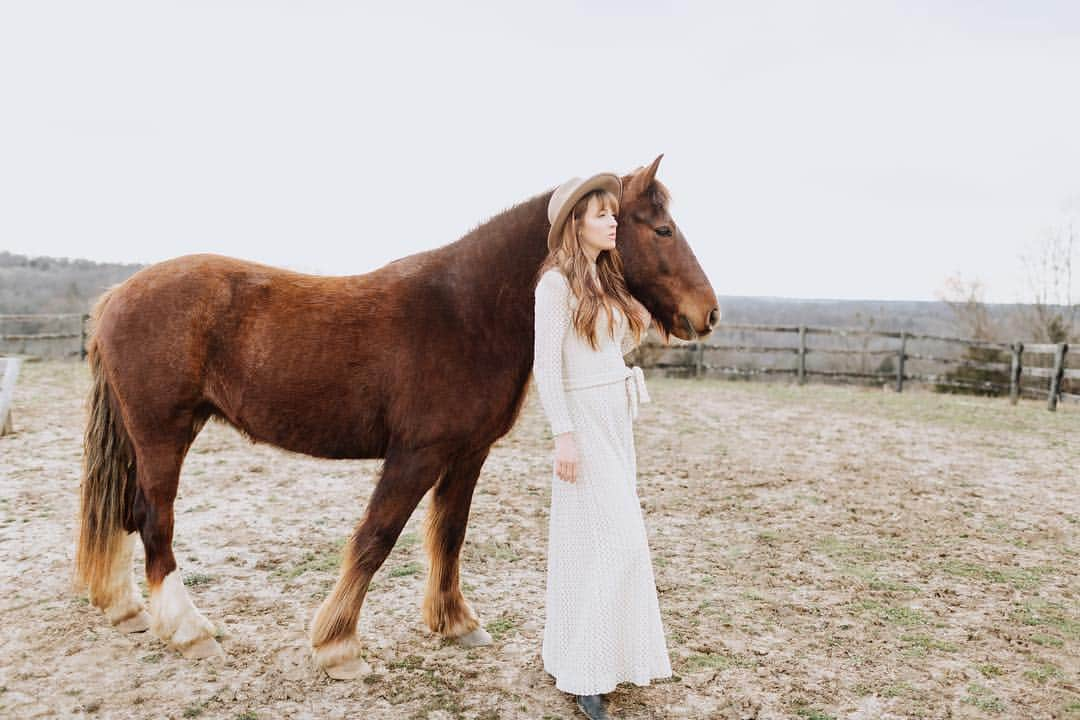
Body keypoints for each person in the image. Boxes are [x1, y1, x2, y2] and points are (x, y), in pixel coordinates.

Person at [532, 172, 673, 720]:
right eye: (601, 214)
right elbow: (547, 367)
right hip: (583, 425)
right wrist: (562, 434)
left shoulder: (604, 279)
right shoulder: (555, 285)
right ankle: (586, 671)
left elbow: (607, 353)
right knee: (622, 543)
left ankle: (586, 655)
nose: (613, 221)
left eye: (613, 212)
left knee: (591, 544)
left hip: (615, 420)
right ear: (576, 223)